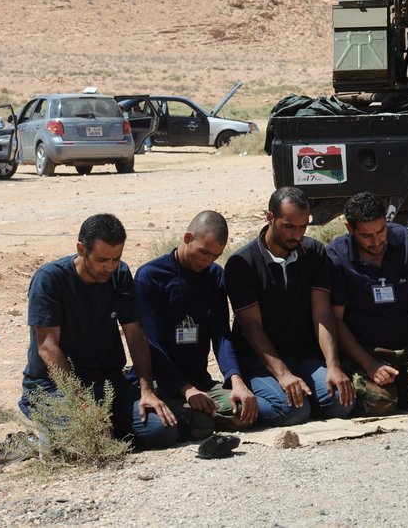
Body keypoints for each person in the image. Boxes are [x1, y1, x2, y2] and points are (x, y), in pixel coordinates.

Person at [19, 214, 178, 450]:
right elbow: (47, 347)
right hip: (55, 387)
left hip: (106, 384)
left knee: (163, 431)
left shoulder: (120, 274)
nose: (110, 267)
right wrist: (82, 404)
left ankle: (106, 430)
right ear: (81, 249)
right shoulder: (50, 279)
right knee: (91, 439)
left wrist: (147, 390)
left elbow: (134, 334)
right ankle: (32, 440)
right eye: (102, 259)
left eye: (116, 258)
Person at [225, 187, 354, 427]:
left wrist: (333, 366)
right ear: (269, 218)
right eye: (289, 227)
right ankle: (227, 406)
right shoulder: (243, 263)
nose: (297, 235)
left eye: (303, 227)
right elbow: (252, 327)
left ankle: (303, 397)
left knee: (341, 401)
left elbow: (322, 313)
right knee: (291, 412)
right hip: (260, 360)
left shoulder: (313, 251)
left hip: (302, 356)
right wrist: (283, 375)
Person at [327, 192, 408, 415]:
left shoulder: (404, 240)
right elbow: (335, 321)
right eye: (366, 236)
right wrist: (369, 364)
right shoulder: (337, 255)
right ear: (349, 228)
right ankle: (391, 394)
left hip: (406, 349)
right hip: (366, 353)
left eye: (381, 231)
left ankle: (398, 391)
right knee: (378, 402)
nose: (376, 241)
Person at [134, 211, 259, 439]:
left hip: (199, 379)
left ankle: (198, 415)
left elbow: (221, 335)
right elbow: (152, 344)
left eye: (215, 256)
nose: (207, 261)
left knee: (243, 412)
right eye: (204, 252)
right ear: (188, 238)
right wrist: (186, 389)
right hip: (163, 380)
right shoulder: (150, 276)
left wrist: (236, 379)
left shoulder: (214, 276)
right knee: (199, 424)